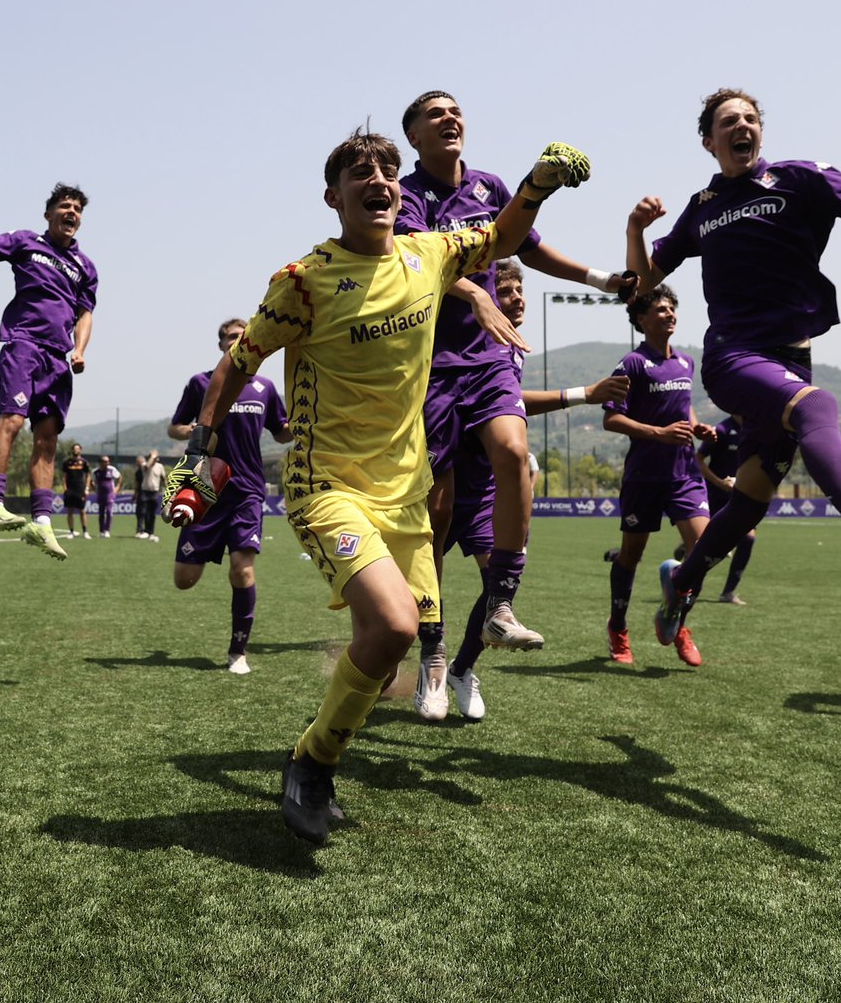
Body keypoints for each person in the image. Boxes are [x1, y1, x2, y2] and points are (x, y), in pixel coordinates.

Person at [162, 128, 590, 844]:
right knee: (393, 625)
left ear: (400, 191)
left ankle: (321, 749)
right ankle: (311, 762)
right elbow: (237, 365)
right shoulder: (303, 282)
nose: (379, 179)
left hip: (406, 494)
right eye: (360, 172)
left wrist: (538, 181)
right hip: (324, 483)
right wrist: (201, 453)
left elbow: (503, 236)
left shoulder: (431, 254)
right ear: (334, 197)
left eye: (388, 170)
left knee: (389, 639)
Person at [624, 88, 841, 645]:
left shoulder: (799, 179)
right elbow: (641, 283)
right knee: (820, 407)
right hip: (734, 356)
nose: (743, 126)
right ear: (709, 142)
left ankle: (680, 585)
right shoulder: (704, 205)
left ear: (760, 132)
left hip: (791, 359)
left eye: (751, 119)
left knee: (749, 503)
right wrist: (635, 232)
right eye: (729, 121)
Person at [396, 90, 625, 716]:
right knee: (435, 520)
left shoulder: (492, 186)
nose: (449, 118)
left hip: (489, 359)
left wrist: (601, 280)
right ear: (413, 136)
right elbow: (427, 266)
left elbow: (526, 246)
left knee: (515, 452)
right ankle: (435, 656)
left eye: (455, 110)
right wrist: (476, 294)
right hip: (430, 367)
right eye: (433, 114)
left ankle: (499, 605)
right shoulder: (407, 196)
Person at [438, 260, 628, 720]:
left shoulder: (511, 346)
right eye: (506, 291)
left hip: (484, 490)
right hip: (440, 482)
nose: (518, 299)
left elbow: (511, 403)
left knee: (497, 588)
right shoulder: (459, 344)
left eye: (520, 291)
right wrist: (585, 393)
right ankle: (419, 661)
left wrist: (585, 394)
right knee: (415, 590)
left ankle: (462, 669)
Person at [0, 182, 97, 561]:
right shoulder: (25, 242)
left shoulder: (85, 267)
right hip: (24, 345)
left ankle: (41, 522)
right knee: (13, 421)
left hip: (58, 359)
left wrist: (79, 350)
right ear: (48, 213)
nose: (72, 212)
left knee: (48, 439)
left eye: (78, 209)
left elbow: (85, 313)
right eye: (65, 206)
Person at [167, 319, 291, 673]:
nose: (237, 342)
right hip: (203, 488)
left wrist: (304, 421)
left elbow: (280, 432)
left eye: (242, 337)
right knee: (184, 580)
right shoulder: (201, 383)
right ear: (221, 345)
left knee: (243, 571)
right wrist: (190, 430)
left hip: (248, 492)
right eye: (230, 338)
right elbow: (174, 426)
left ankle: (238, 651)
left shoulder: (265, 388)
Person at [601, 285, 714, 667]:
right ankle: (618, 627)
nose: (670, 314)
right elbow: (611, 418)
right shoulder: (632, 364)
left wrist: (697, 427)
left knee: (704, 550)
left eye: (672, 309)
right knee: (631, 555)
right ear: (641, 320)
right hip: (645, 476)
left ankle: (674, 619)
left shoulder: (686, 364)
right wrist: (658, 433)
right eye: (661, 310)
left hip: (684, 473)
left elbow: (684, 407)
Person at [695, 414, 754, 604]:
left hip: (742, 496)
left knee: (748, 538)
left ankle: (728, 592)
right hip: (716, 496)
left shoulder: (755, 429)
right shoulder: (721, 431)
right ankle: (684, 583)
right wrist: (720, 483)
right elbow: (698, 460)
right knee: (708, 544)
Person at [61, 442, 92, 539]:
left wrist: (87, 488)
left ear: (80, 450)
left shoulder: (84, 462)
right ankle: (71, 532)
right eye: (74, 449)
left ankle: (85, 531)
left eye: (77, 449)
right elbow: (64, 477)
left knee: (82, 511)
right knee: (70, 511)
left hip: (80, 489)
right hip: (70, 490)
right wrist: (65, 488)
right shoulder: (67, 462)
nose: (76, 450)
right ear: (72, 450)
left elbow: (88, 476)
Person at [136, 450, 166, 542]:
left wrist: (166, 489)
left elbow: (163, 478)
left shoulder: (160, 466)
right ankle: (142, 531)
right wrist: (152, 456)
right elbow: (147, 467)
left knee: (152, 514)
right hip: (145, 491)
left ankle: (150, 532)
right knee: (143, 512)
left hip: (154, 492)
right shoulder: (144, 464)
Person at [93, 454, 121, 537]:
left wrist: (117, 488)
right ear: (100, 462)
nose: (107, 463)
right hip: (100, 495)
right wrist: (94, 488)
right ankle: (101, 531)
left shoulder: (112, 470)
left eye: (108, 461)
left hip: (110, 494)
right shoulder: (95, 471)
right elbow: (91, 480)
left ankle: (107, 530)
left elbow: (119, 477)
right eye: (105, 461)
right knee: (101, 513)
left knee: (109, 512)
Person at [132, 455, 147, 536]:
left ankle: (142, 530)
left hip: (145, 493)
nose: (137, 464)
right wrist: (135, 495)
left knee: (142, 513)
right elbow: (136, 484)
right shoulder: (138, 472)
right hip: (141, 494)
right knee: (139, 513)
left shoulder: (145, 470)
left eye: (138, 462)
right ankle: (140, 530)